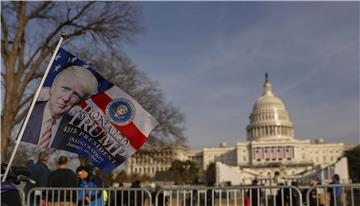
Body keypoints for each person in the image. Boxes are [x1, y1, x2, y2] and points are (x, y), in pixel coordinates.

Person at [23, 66, 99, 148]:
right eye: (65, 89)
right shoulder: (27, 112)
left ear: (80, 102)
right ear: (52, 88)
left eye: (76, 95)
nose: (66, 98)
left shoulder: (73, 132)